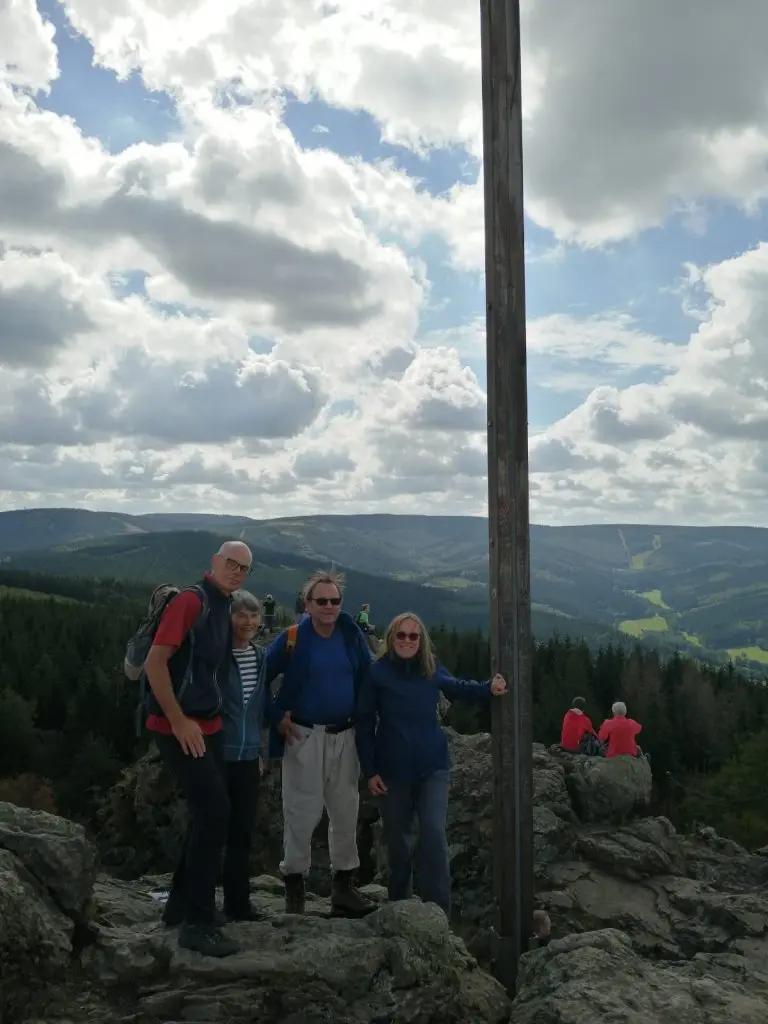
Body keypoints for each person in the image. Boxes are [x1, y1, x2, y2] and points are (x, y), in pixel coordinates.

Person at [355, 612, 508, 918]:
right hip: (392, 772)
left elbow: (457, 687)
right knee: (398, 844)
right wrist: (370, 771)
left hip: (433, 767)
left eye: (414, 636)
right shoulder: (376, 674)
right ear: (391, 638)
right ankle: (399, 907)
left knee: (434, 836)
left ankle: (438, 916)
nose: (408, 641)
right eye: (402, 635)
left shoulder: (430, 668)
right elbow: (363, 722)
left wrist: (488, 688)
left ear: (421, 641)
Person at [143, 540, 253, 958]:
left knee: (209, 812)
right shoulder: (191, 602)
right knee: (215, 811)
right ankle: (199, 923)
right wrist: (178, 720)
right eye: (231, 563)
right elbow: (156, 662)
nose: (236, 572)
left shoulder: (223, 606)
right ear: (214, 562)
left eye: (244, 568)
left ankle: (180, 905)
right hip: (179, 726)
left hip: (209, 725)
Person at [265, 570, 374, 917]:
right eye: (321, 601)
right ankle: (295, 886)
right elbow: (257, 678)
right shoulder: (293, 638)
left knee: (346, 812)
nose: (329, 607)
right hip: (304, 736)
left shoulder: (350, 633)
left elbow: (369, 677)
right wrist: (275, 716)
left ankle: (344, 887)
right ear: (307, 604)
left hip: (346, 735)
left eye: (335, 600)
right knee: (301, 812)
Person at [221, 590, 280, 920]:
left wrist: (259, 751)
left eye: (253, 616)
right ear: (228, 618)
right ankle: (191, 902)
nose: (248, 622)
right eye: (240, 615)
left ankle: (237, 904)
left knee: (242, 833)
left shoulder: (259, 657)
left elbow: (256, 708)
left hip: (246, 758)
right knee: (209, 831)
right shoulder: (217, 656)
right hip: (217, 756)